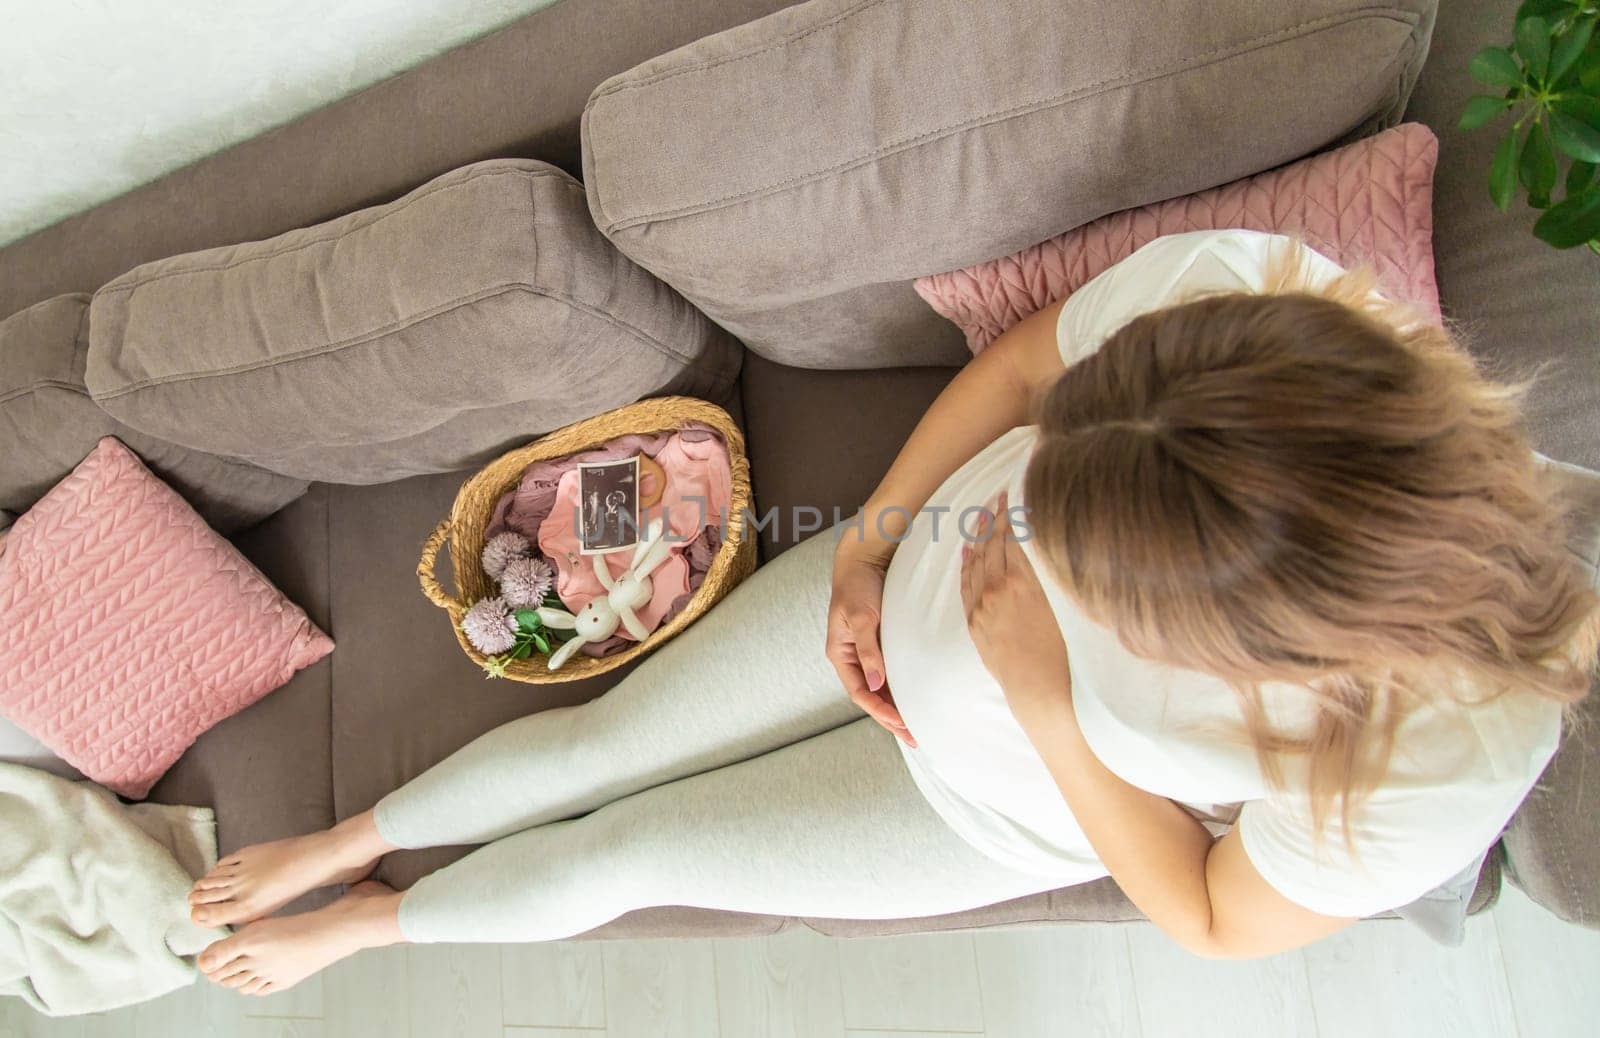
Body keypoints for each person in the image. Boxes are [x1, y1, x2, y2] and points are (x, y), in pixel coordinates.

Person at [186, 230, 1599, 994]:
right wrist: (869, 551)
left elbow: (1222, 919)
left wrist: (1046, 695)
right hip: (878, 600)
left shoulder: (1432, 770)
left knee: (628, 854)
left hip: (982, 805)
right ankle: (348, 836)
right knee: (593, 744)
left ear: (1259, 646)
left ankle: (379, 924)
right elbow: (1027, 370)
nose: (1035, 546)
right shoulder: (1259, 313)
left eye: (1093, 584)